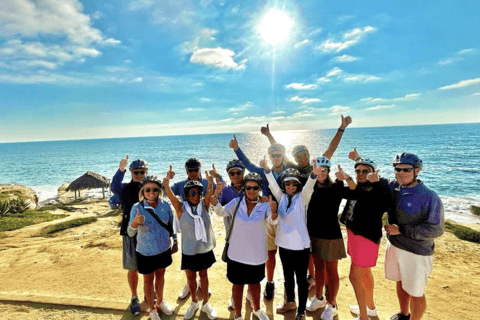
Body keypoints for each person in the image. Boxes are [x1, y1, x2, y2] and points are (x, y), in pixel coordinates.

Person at [262, 116, 353, 286]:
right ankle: (312, 278)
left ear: (308, 154)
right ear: (295, 158)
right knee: (309, 248)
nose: (302, 157)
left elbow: (331, 148)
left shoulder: (316, 165)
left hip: (324, 210)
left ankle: (322, 284)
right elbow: (278, 153)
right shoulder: (294, 168)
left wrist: (342, 128)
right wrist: (269, 136)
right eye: (298, 155)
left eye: (304, 154)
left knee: (323, 255)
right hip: (306, 212)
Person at [229, 136, 289, 300]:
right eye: (273, 156)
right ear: (270, 157)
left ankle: (287, 285)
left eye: (279, 155)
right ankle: (270, 282)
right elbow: (248, 165)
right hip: (268, 216)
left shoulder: (290, 172)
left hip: (287, 218)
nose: (276, 158)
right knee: (270, 253)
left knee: (286, 255)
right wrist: (237, 149)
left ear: (283, 156)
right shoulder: (263, 172)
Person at [212, 172, 277, 320]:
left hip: (256, 255)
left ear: (259, 189)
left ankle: (257, 310)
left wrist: (273, 213)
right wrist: (215, 199)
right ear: (244, 188)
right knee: (237, 285)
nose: (251, 191)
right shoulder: (236, 203)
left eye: (255, 188)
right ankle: (238, 315)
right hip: (236, 253)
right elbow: (220, 212)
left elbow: (273, 222)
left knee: (255, 284)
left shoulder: (265, 205)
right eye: (248, 187)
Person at [261, 161, 320, 320]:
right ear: (284, 184)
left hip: (301, 247)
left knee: (301, 280)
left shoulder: (302, 198)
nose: (291, 186)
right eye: (287, 183)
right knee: (288, 278)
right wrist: (267, 170)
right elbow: (273, 186)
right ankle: (291, 303)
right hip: (284, 246)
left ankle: (301, 311)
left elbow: (309, 187)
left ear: (298, 185)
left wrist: (313, 175)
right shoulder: (281, 197)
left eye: (294, 183)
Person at [335, 159, 391, 320]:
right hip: (355, 235)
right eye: (357, 171)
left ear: (372, 174)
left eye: (364, 171)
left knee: (354, 277)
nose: (360, 174)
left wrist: (377, 183)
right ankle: (370, 307)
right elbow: (344, 192)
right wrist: (341, 179)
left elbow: (386, 203)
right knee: (365, 273)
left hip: (365, 238)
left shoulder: (377, 189)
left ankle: (364, 316)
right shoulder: (359, 188)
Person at [163, 171, 218, 320]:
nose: (195, 196)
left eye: (198, 193)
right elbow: (171, 197)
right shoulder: (181, 208)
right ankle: (194, 302)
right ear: (186, 195)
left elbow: (209, 194)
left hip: (203, 249)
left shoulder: (204, 206)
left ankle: (206, 303)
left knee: (204, 276)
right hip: (188, 250)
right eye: (192, 193)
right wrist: (167, 185)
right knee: (191, 278)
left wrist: (210, 182)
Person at [168, 158, 224, 299]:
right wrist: (167, 180)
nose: (193, 173)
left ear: (199, 169)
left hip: (203, 218)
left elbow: (221, 187)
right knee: (190, 262)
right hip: (187, 220)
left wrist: (216, 177)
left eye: (195, 170)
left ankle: (203, 284)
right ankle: (190, 284)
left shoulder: (205, 182)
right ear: (186, 171)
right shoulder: (180, 185)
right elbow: (164, 193)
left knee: (203, 260)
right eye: (190, 170)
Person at [112, 156, 160, 314]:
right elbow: (114, 186)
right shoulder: (125, 189)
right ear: (131, 172)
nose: (139, 175)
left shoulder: (151, 188)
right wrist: (120, 170)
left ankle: (150, 293)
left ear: (147, 172)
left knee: (150, 266)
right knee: (132, 267)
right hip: (129, 233)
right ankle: (134, 296)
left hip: (147, 233)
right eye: (136, 172)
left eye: (142, 172)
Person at [305, 157, 347, 320]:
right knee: (318, 268)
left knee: (331, 270)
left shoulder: (336, 185)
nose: (321, 173)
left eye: (324, 170)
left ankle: (332, 304)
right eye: (318, 169)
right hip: (313, 234)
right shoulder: (310, 187)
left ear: (328, 172)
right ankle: (320, 298)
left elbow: (355, 192)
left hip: (331, 235)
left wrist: (346, 178)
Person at [127, 176, 175, 320]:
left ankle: (160, 302)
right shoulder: (137, 207)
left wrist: (175, 241)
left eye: (155, 189)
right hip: (145, 252)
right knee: (148, 281)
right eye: (147, 189)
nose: (151, 192)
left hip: (164, 249)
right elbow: (130, 232)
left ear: (159, 191)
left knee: (160, 277)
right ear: (143, 191)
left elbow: (171, 226)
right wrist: (135, 222)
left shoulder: (165, 205)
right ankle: (152, 310)